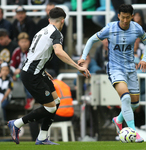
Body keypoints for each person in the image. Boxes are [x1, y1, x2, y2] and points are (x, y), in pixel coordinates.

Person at [7, 7, 90, 145]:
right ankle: (16, 123)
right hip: (32, 74)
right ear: (62, 21)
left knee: (56, 102)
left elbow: (35, 53)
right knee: (51, 107)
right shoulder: (56, 33)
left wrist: (43, 70)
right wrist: (77, 66)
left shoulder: (41, 31)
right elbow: (58, 52)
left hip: (36, 71)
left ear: (49, 19)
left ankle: (42, 137)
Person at [78, 4, 146, 143]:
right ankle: (134, 133)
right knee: (125, 99)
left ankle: (118, 120)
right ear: (118, 16)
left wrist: (144, 59)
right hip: (115, 69)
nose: (124, 20)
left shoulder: (136, 28)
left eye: (127, 18)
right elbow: (91, 40)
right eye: (122, 17)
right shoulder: (110, 28)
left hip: (131, 69)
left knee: (135, 104)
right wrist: (83, 56)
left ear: (132, 16)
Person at [37, 2, 67, 76]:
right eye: (48, 10)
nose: (49, 12)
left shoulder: (61, 26)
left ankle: (56, 76)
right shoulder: (41, 22)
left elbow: (62, 39)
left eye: (51, 10)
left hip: (54, 48)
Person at [10, 32, 34, 110]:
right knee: (11, 77)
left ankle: (29, 98)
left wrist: (20, 70)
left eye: (25, 42)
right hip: (18, 74)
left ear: (29, 42)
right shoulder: (16, 51)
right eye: (22, 42)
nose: (24, 44)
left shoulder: (32, 51)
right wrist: (14, 72)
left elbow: (32, 65)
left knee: (24, 76)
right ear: (18, 43)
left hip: (30, 73)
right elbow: (12, 65)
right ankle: (12, 98)